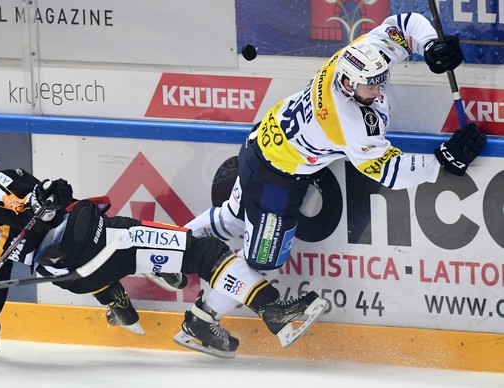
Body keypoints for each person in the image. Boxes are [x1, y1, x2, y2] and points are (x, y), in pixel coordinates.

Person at [183, 13, 486, 329]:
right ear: (346, 84)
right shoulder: (348, 123)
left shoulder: (361, 55)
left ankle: (170, 249)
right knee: (261, 261)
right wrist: (441, 162)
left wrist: (430, 46)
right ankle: (201, 320)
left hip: (259, 143)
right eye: (370, 86)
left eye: (381, 80)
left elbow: (404, 24)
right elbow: (390, 172)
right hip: (275, 177)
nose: (379, 92)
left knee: (233, 217)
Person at [0, 151, 325, 359]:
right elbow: (33, 201)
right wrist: (44, 197)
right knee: (204, 252)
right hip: (107, 241)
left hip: (79, 275)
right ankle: (275, 311)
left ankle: (150, 305)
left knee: (91, 256)